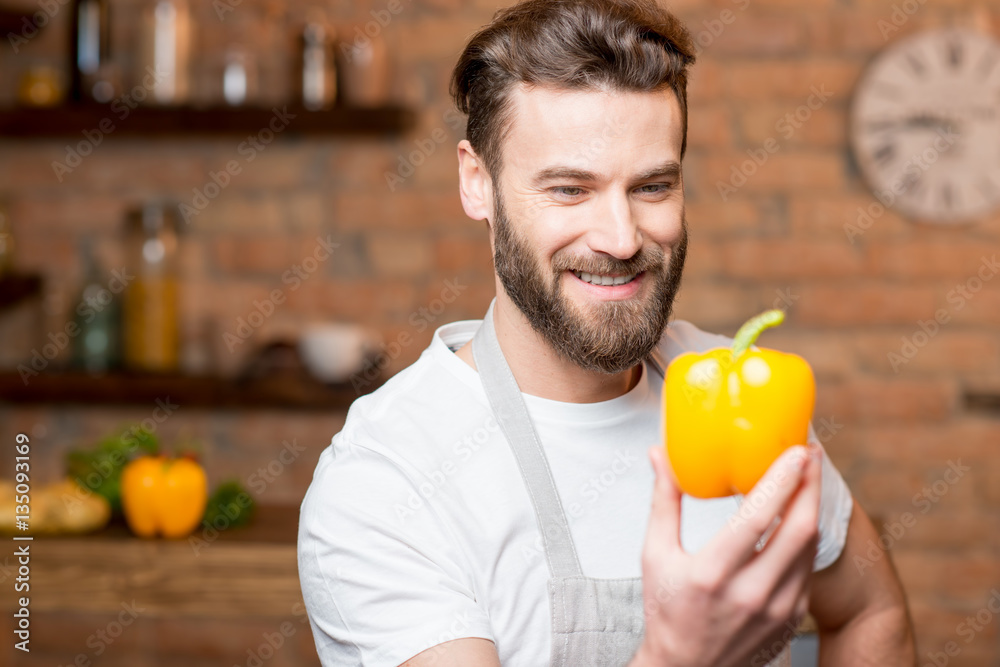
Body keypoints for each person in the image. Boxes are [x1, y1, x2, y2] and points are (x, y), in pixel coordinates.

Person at [297, 0, 916, 665]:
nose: (620, 239)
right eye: (569, 189)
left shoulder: (737, 389)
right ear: (478, 182)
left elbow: (870, 612)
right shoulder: (388, 480)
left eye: (652, 186)